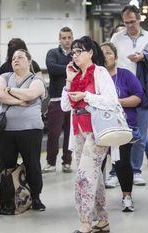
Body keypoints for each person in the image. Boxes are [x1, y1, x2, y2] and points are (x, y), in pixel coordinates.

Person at [61, 36, 115, 233]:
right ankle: (102, 220)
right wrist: (69, 80)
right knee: (94, 176)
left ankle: (85, 222)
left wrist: (86, 96)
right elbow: (65, 105)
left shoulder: (100, 73)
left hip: (97, 130)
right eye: (73, 53)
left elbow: (111, 100)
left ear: (90, 52)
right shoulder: (75, 76)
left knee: (84, 175)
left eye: (79, 51)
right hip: (78, 130)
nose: (75, 56)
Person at [110, 4, 148, 186]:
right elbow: (110, 58)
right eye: (126, 23)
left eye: (132, 22)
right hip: (121, 88)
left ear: (139, 19)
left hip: (143, 89)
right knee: (117, 134)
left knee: (139, 134)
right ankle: (115, 172)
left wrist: (144, 58)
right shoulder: (117, 37)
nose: (130, 26)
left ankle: (136, 170)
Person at [0, 49, 46, 211]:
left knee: (32, 165)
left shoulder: (36, 80)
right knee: (6, 166)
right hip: (6, 131)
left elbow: (31, 94)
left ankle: (35, 198)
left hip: (30, 130)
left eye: (20, 57)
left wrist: (9, 91)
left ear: (29, 61)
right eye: (14, 58)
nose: (16, 60)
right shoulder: (4, 77)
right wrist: (18, 101)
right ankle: (8, 200)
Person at [101, 42, 145, 212]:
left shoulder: (125, 75)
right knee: (99, 163)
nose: (105, 56)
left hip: (122, 126)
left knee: (122, 163)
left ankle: (127, 197)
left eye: (109, 53)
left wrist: (115, 102)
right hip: (101, 127)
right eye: (102, 53)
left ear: (115, 57)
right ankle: (98, 199)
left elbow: (138, 97)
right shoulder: (95, 77)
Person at [42, 27, 74, 174]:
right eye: (64, 38)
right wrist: (70, 68)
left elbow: (80, 69)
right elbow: (51, 68)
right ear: (59, 39)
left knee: (70, 133)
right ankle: (51, 162)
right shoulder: (52, 53)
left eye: (69, 37)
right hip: (56, 99)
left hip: (73, 99)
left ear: (72, 38)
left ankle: (67, 162)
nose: (67, 40)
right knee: (53, 133)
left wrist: (69, 68)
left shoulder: (76, 54)